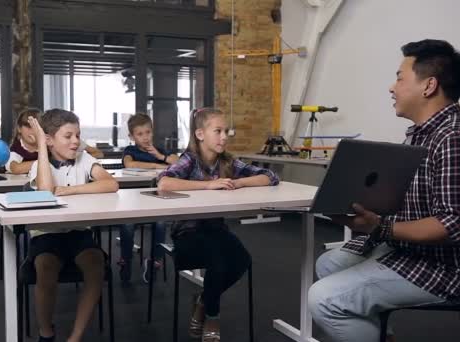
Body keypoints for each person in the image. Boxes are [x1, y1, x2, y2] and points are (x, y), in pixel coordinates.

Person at [308, 39, 460, 342]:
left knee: (324, 299)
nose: (392, 87)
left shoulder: (451, 138)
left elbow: (452, 224)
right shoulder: (419, 136)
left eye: (400, 78)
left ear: (428, 86)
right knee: (328, 263)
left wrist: (380, 227)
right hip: (412, 249)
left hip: (445, 266)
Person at [157, 107, 279, 342]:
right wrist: (207, 185)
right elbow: (164, 183)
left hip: (215, 229)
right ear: (200, 134)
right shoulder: (189, 160)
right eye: (218, 131)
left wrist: (239, 182)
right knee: (218, 258)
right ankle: (212, 315)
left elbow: (270, 176)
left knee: (243, 259)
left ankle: (203, 301)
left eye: (226, 131)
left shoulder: (228, 161)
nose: (224, 137)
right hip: (187, 233)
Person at [27, 109, 119, 342]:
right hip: (46, 234)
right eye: (68, 136)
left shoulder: (84, 159)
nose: (76, 141)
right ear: (48, 140)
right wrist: (41, 147)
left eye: (77, 135)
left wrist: (71, 190)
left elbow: (111, 184)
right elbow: (46, 192)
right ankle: (46, 332)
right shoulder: (39, 165)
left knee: (96, 264)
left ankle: (75, 337)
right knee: (46, 268)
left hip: (78, 232)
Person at [118, 113, 179, 285]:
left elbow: (178, 161)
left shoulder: (159, 149)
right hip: (132, 200)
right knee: (127, 225)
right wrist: (158, 165)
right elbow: (130, 164)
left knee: (160, 223)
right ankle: (125, 260)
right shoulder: (130, 151)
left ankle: (155, 261)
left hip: (154, 199)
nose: (145, 137)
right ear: (131, 137)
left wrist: (161, 156)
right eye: (140, 134)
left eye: (148, 132)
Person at [6, 108, 41, 174]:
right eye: (28, 127)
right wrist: (47, 163)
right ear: (19, 128)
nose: (33, 131)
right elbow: (16, 168)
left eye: (36, 127)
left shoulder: (49, 146)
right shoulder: (15, 149)